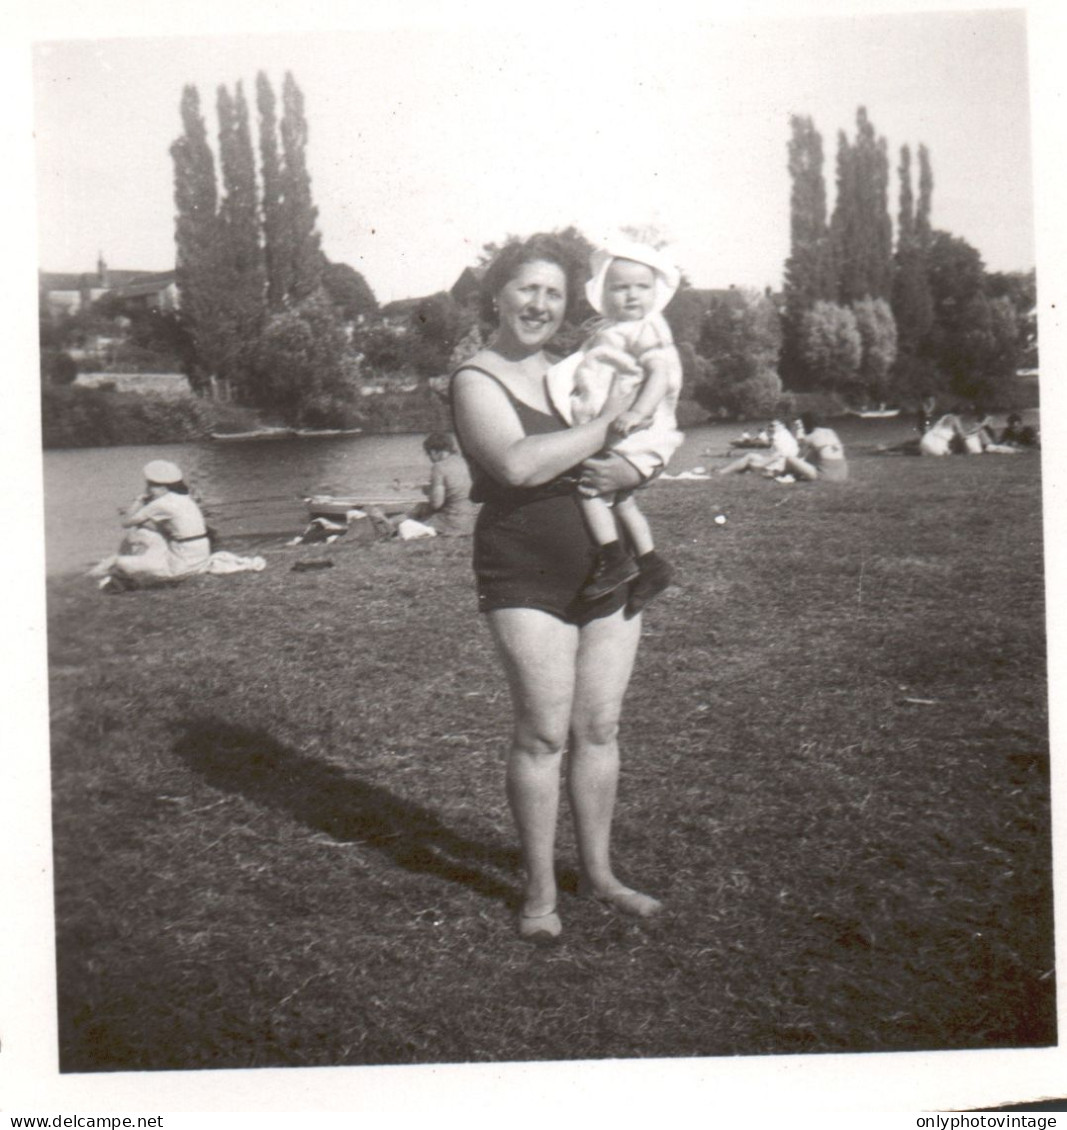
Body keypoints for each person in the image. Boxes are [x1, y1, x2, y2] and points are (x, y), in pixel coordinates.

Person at [450, 234, 664, 942]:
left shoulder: (577, 365)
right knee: (543, 733)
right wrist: (607, 424)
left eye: (553, 293)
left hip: (608, 566)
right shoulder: (475, 378)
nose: (540, 304)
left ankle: (599, 875)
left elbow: (641, 437)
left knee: (598, 727)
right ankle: (540, 892)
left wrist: (634, 469)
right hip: (524, 568)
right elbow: (515, 465)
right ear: (497, 296)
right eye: (526, 290)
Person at [545, 241, 683, 604]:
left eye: (642, 287)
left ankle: (614, 558)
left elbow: (659, 374)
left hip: (635, 430)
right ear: (604, 293)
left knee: (590, 491)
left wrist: (637, 412)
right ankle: (652, 563)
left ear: (656, 293)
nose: (632, 295)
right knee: (622, 500)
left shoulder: (646, 329)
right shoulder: (612, 330)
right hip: (619, 428)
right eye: (620, 288)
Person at [96, 460, 212, 590]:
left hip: (181, 565)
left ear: (162, 487)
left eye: (150, 487)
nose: (148, 490)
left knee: (120, 561)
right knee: (146, 531)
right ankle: (131, 564)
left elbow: (126, 523)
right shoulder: (185, 498)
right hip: (200, 556)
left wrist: (138, 500)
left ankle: (115, 571)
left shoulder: (160, 503)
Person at [365, 432, 477, 540]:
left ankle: (387, 523)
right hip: (469, 523)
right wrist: (424, 488)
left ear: (433, 452)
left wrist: (428, 492)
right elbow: (453, 489)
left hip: (451, 524)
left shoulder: (439, 467)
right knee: (421, 508)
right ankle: (389, 521)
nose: (430, 459)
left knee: (415, 515)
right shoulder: (463, 462)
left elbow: (436, 504)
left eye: (429, 455)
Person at [717, 419, 799, 476]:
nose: (771, 428)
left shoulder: (778, 436)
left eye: (773, 426)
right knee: (752, 456)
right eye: (770, 426)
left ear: (782, 425)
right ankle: (737, 469)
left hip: (779, 466)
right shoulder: (787, 435)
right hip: (786, 463)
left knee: (750, 457)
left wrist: (761, 464)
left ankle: (723, 471)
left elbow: (778, 454)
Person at [781, 412, 848, 481]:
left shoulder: (811, 436)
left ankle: (783, 474)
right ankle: (793, 474)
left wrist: (795, 432)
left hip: (825, 476)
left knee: (789, 458)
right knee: (813, 453)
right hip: (842, 474)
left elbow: (798, 456)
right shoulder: (831, 431)